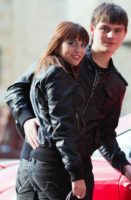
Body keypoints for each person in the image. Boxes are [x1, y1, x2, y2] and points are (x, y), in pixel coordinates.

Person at [5, 2, 131, 200]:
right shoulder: (67, 58)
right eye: (105, 28)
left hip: (79, 166)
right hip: (40, 159)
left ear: (124, 34)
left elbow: (105, 134)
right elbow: (16, 89)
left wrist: (123, 166)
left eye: (117, 30)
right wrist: (27, 118)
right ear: (92, 29)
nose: (111, 36)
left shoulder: (117, 84)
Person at [30, 21, 88, 200]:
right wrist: (76, 174)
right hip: (55, 165)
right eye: (72, 43)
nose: (78, 50)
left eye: (83, 45)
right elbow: (62, 127)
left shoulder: (45, 70)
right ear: (57, 43)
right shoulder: (58, 74)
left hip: (43, 162)